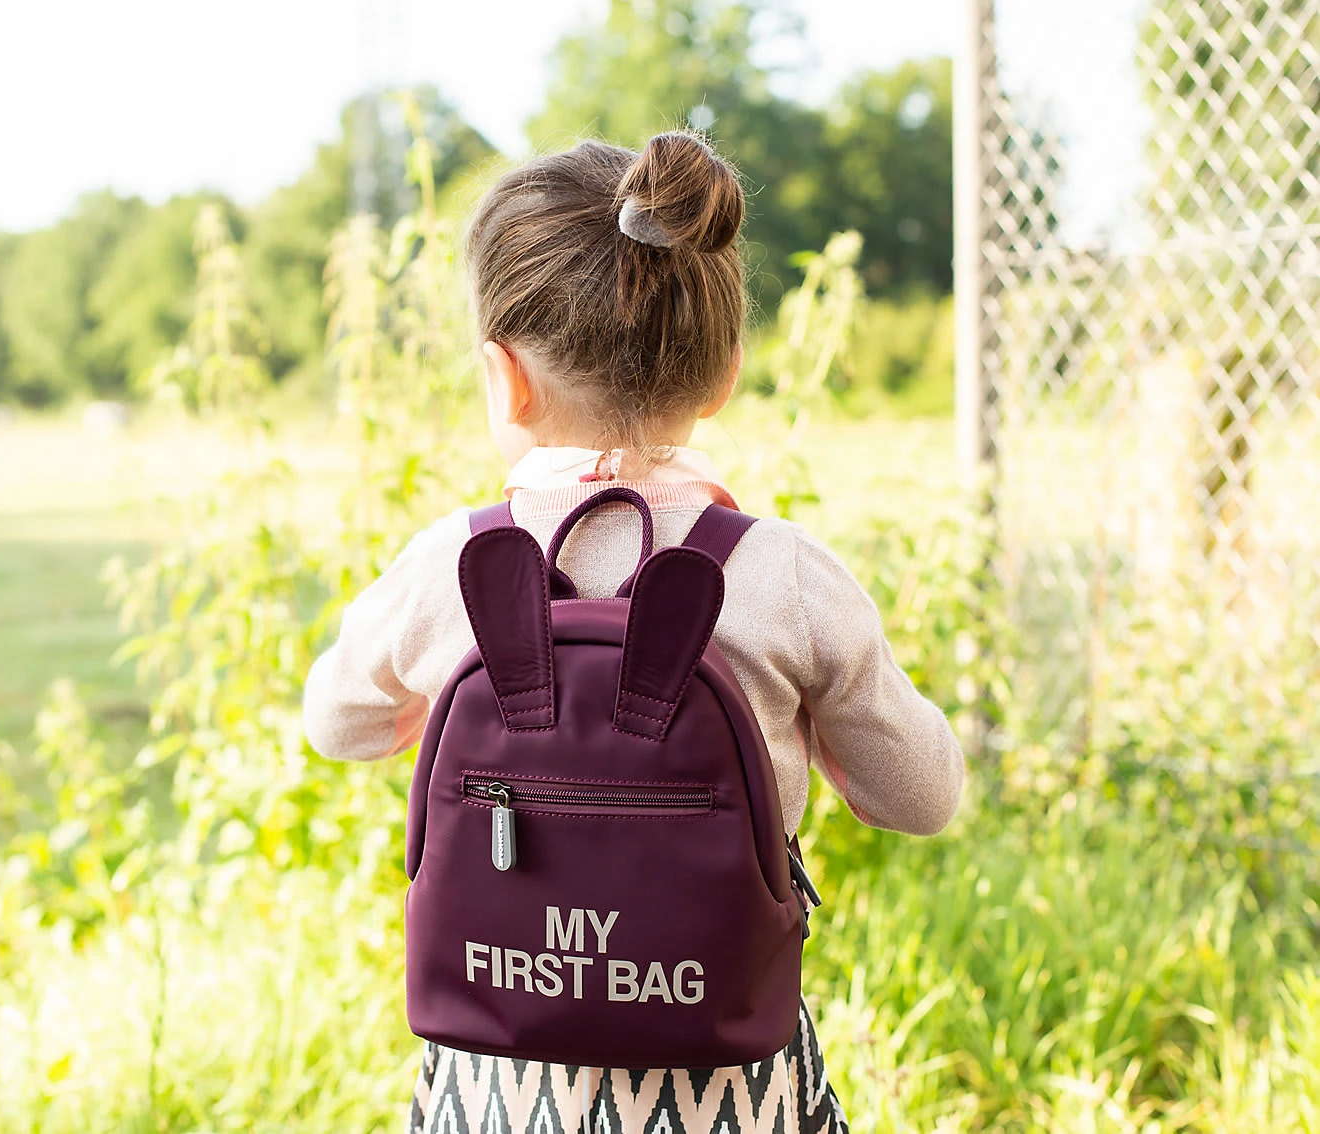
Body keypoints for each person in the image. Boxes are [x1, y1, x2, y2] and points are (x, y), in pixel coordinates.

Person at [302, 131, 964, 1134]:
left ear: (504, 378)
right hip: (727, 1078)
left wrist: (426, 706)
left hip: (496, 1081)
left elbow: (336, 726)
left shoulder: (449, 567)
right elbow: (921, 797)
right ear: (724, 372)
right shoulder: (783, 577)